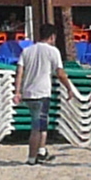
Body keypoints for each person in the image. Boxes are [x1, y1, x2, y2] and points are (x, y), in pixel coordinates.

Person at [15, 27, 65, 163]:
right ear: (52, 37)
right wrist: (70, 88)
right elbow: (60, 73)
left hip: (28, 92)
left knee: (42, 123)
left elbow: (19, 72)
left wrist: (17, 92)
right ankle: (32, 158)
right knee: (37, 127)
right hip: (42, 93)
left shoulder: (27, 51)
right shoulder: (53, 51)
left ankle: (42, 151)